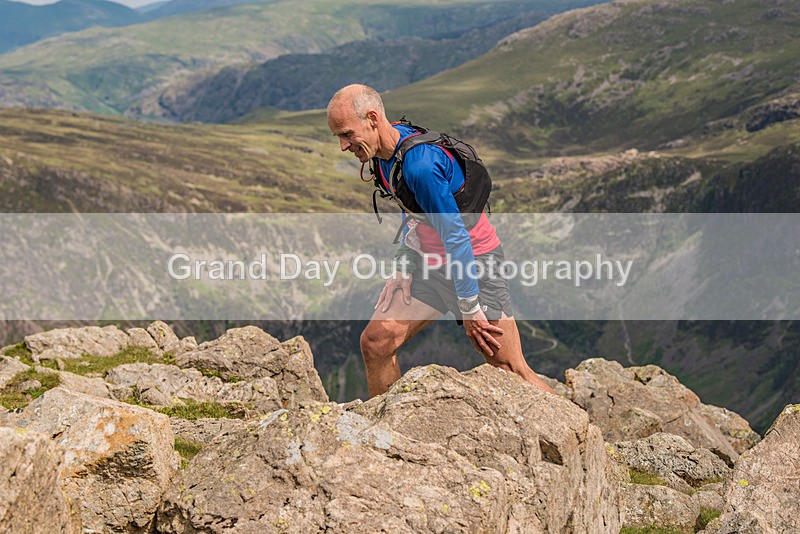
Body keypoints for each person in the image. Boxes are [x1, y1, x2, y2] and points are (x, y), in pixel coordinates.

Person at [327, 84, 556, 398]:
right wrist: (404, 267)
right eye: (339, 137)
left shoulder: (420, 166)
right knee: (376, 344)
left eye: (347, 134)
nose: (343, 146)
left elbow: (457, 237)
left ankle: (585, 437)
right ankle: (387, 433)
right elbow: (415, 213)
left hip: (474, 264)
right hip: (431, 264)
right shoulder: (382, 154)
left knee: (510, 371)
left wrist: (470, 307)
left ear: (373, 118)